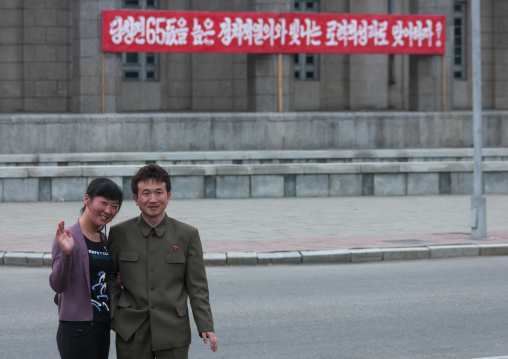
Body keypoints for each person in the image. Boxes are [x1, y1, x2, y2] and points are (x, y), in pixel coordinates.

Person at [107, 164, 218, 359]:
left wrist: (206, 325)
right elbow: (108, 277)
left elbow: (197, 286)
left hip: (173, 329)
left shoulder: (187, 235)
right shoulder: (119, 234)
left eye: (159, 192)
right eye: (146, 193)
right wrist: (115, 314)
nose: (153, 199)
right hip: (131, 330)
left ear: (168, 196)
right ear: (136, 199)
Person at [49, 177, 124, 359]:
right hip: (77, 328)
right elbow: (57, 285)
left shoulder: (103, 240)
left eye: (114, 206)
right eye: (104, 203)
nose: (108, 211)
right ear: (87, 200)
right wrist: (66, 253)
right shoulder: (67, 237)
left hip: (101, 326)